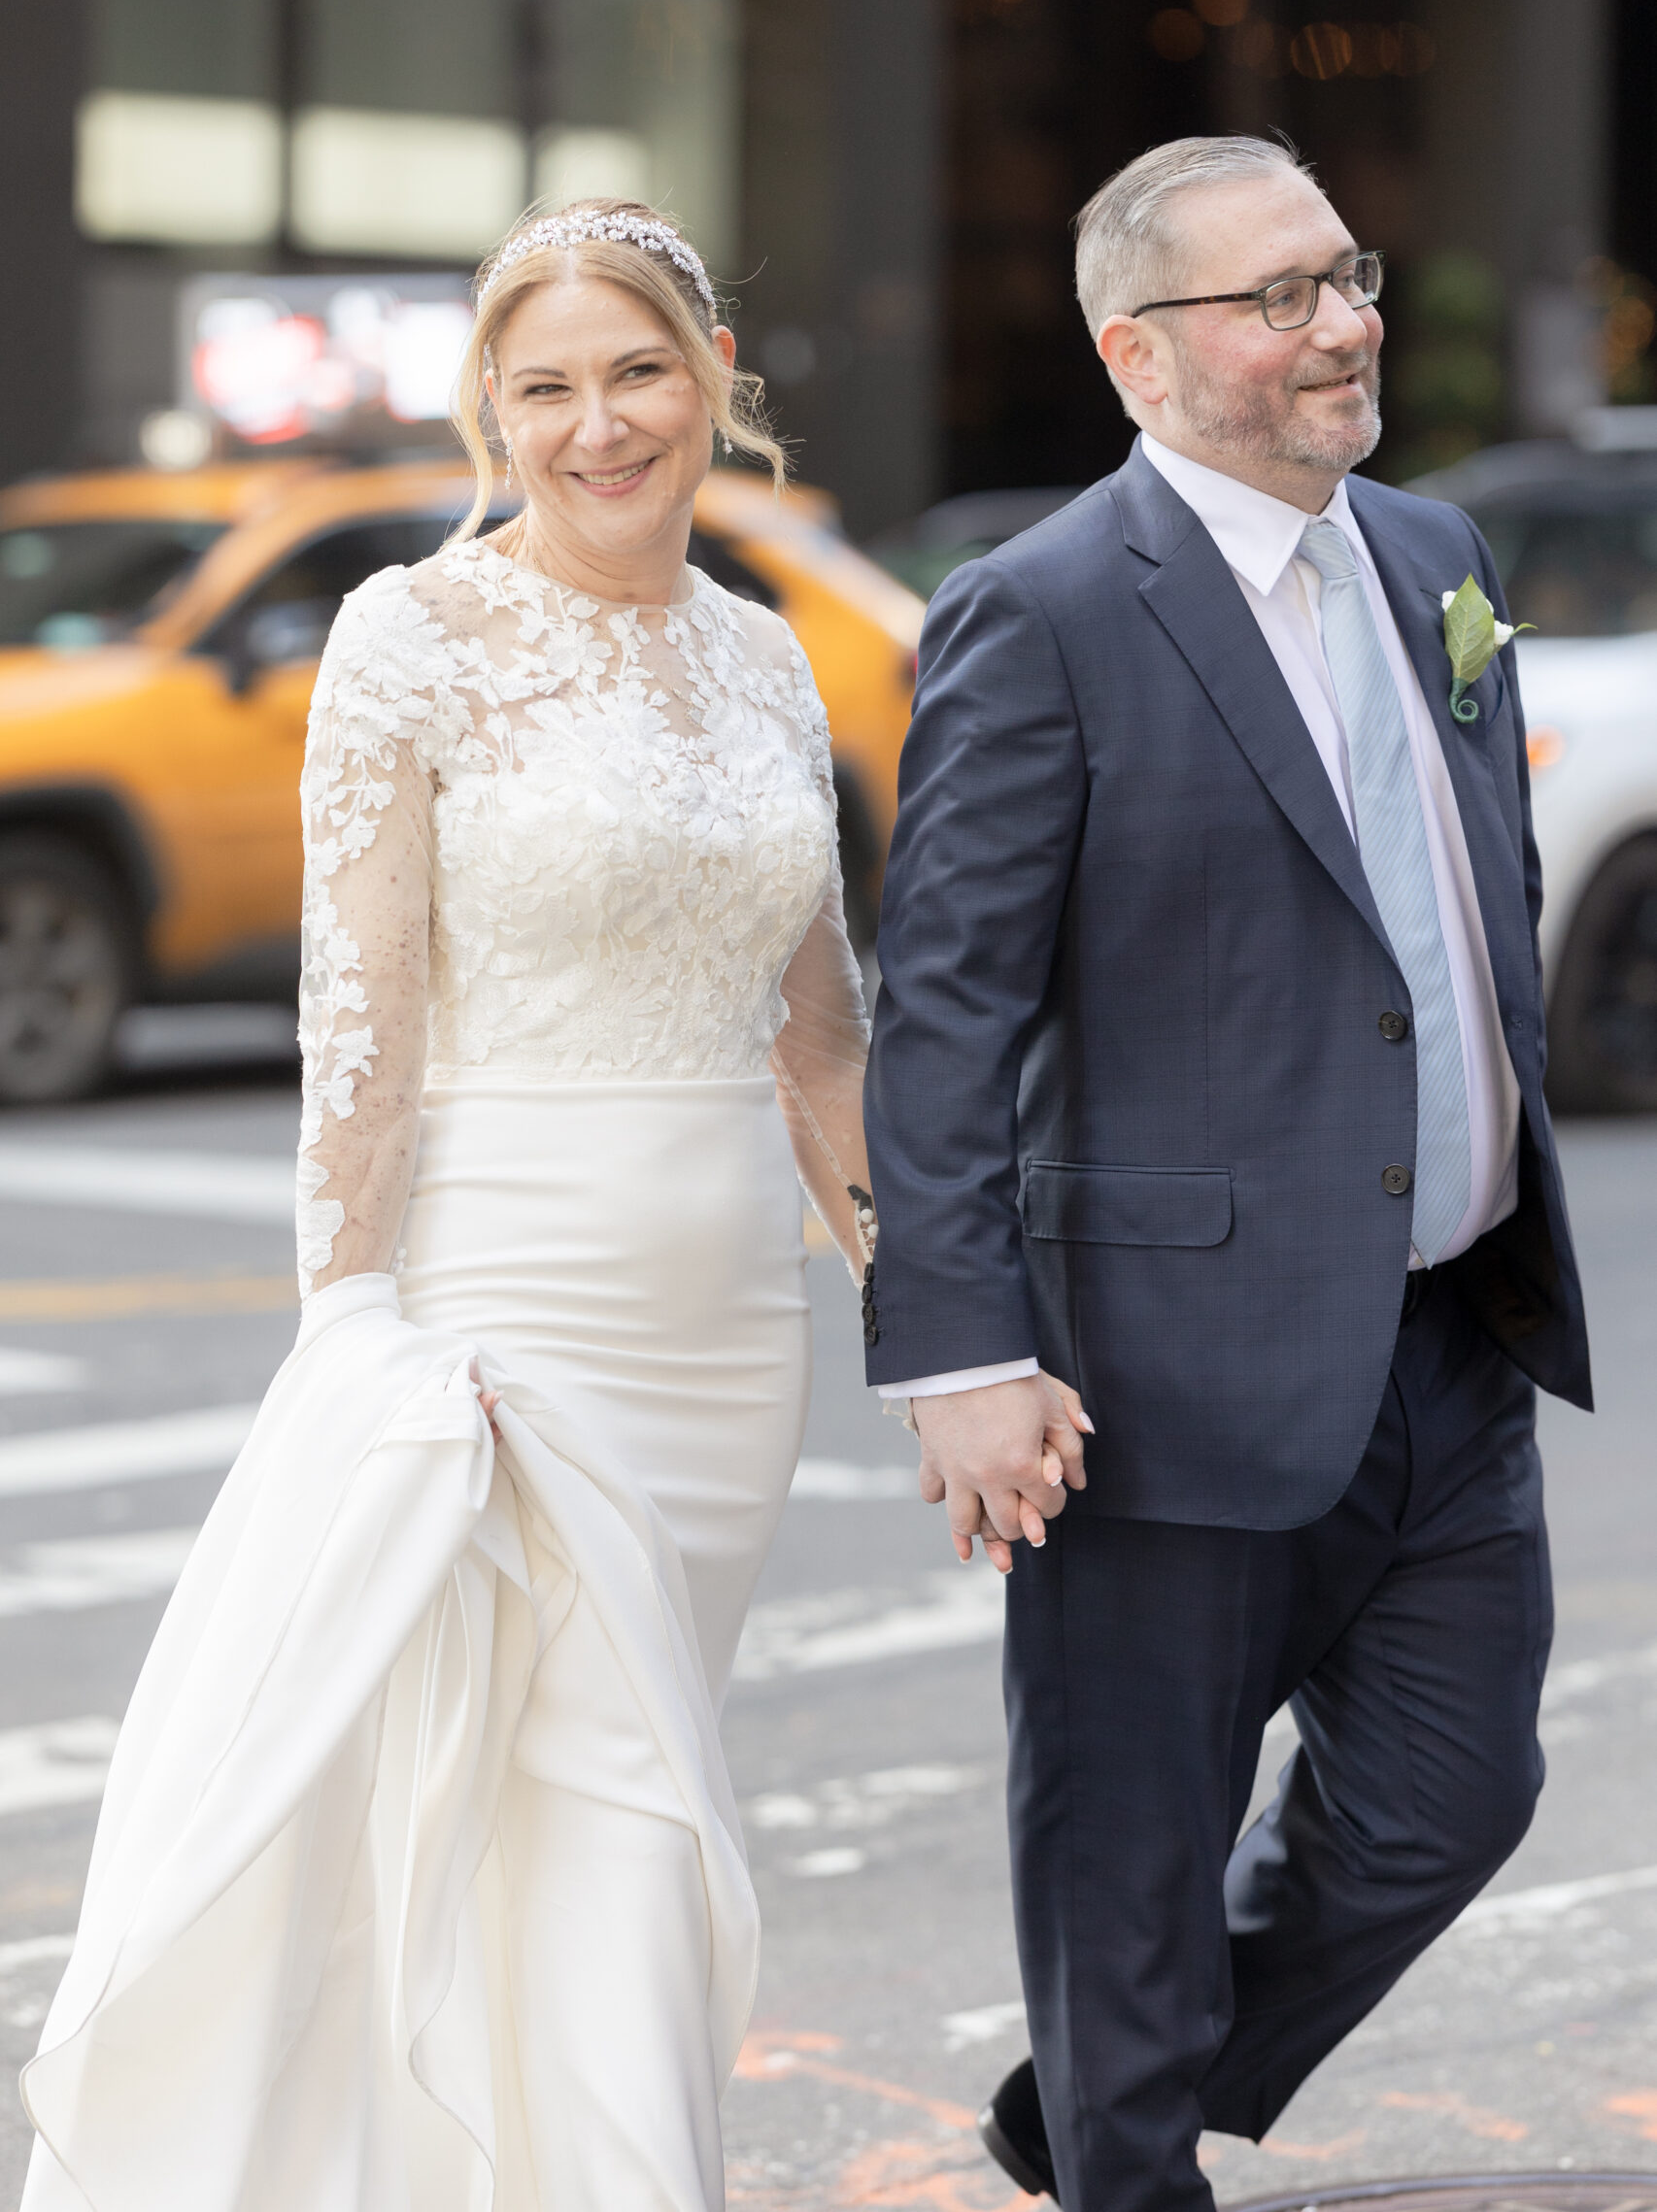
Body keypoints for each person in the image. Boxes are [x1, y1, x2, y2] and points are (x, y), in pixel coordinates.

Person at [20, 199, 875, 2212]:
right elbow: (361, 1010)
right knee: (616, 1836)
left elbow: (821, 1033)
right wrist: (351, 1322)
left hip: (727, 1346)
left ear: (713, 375)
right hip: (508, 1330)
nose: (599, 424)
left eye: (637, 371)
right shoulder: (410, 635)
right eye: (546, 385)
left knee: (571, 1851)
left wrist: (930, 1317)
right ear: (493, 405)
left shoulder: (766, 655)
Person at [862, 135, 1590, 2212]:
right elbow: (945, 1013)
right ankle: (1121, 2157)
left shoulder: (1434, 552)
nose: (1342, 325)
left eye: (1344, 275)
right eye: (1276, 297)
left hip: (1451, 1325)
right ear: (1138, 354)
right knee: (1129, 1836)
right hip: (1158, 1358)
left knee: (1449, 1799)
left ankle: (1099, 2092)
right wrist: (963, 1350)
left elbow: (1470, 891)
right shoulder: (1043, 611)